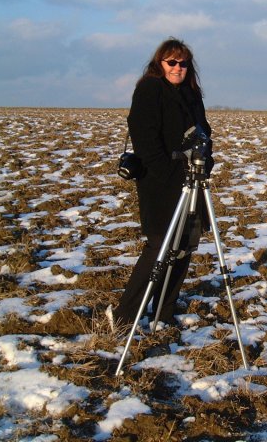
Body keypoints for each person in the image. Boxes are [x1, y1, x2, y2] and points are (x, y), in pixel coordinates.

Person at [108, 37, 213, 330]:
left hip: (193, 179)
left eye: (183, 63)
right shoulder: (150, 89)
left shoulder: (192, 93)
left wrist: (207, 161)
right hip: (160, 182)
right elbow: (143, 136)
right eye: (172, 62)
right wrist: (168, 171)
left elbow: (205, 131)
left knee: (184, 247)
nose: (178, 67)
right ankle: (125, 316)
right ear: (160, 63)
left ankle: (163, 314)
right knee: (160, 245)